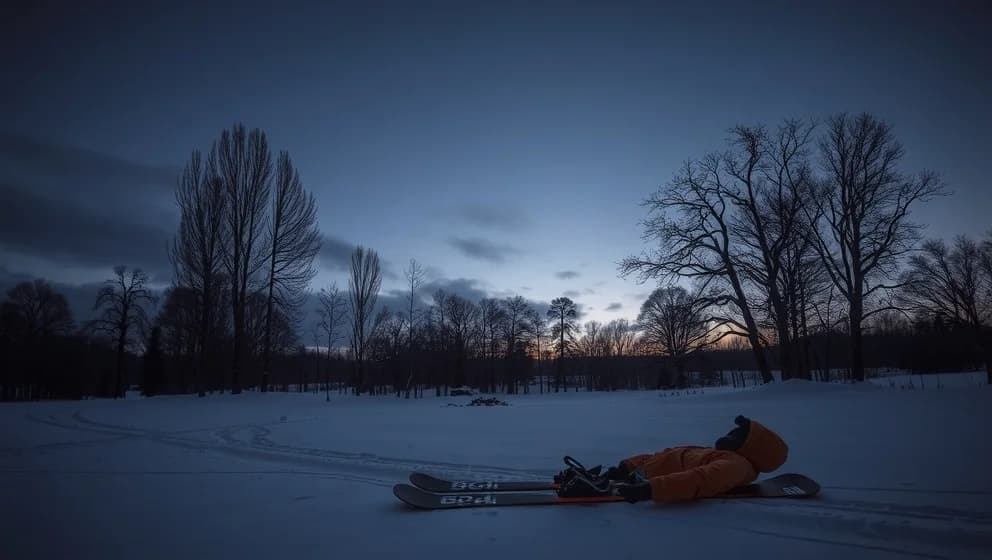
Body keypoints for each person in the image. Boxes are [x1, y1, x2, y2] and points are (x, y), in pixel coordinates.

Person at [557, 415, 788, 503]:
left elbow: (697, 480)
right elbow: (665, 456)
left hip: (648, 482)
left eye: (736, 435)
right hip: (641, 474)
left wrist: (651, 490)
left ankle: (591, 488)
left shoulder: (736, 466)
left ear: (751, 448)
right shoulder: (720, 455)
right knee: (614, 474)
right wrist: (627, 465)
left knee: (603, 486)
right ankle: (597, 480)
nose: (729, 434)